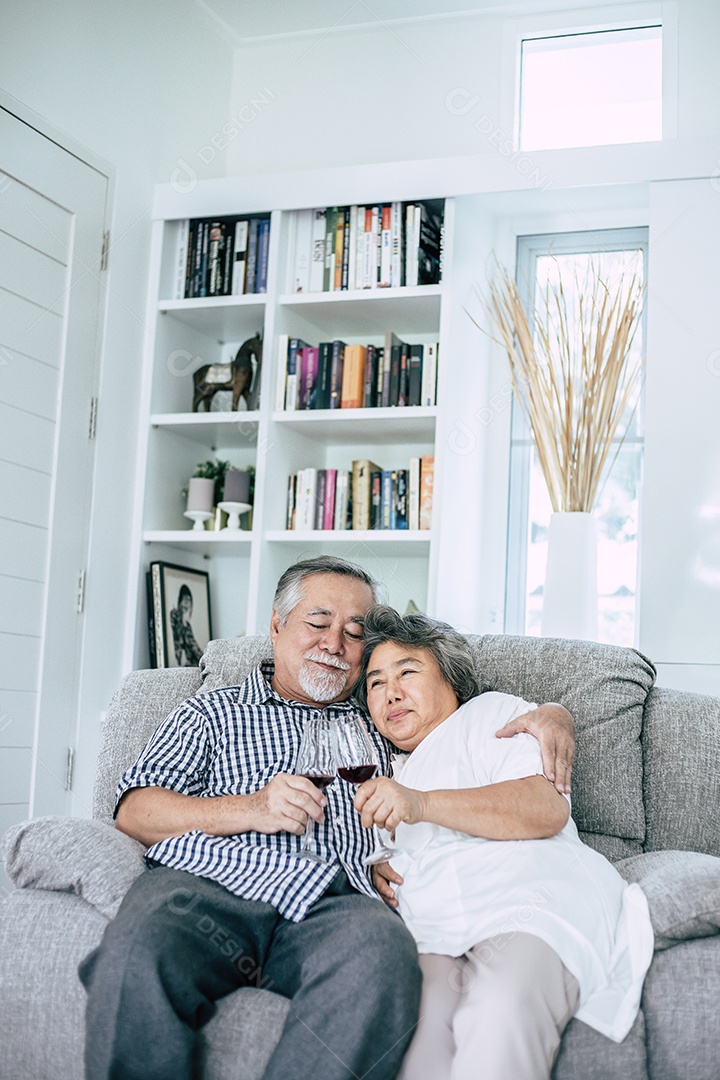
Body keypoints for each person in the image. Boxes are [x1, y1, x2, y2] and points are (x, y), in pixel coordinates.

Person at [79, 556, 575, 1080]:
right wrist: (251, 807)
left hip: (334, 901)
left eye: (353, 633)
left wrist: (556, 714)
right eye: (318, 624)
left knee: (382, 957)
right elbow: (134, 811)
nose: (334, 645)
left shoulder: (379, 717)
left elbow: (453, 717)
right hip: (205, 886)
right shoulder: (211, 712)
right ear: (276, 626)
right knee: (137, 953)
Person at [354, 605, 654, 1080]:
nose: (390, 693)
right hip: (434, 924)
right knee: (415, 1038)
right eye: (374, 683)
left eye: (407, 672)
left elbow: (545, 808)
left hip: (529, 903)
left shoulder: (491, 715)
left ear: (451, 681)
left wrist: (421, 802)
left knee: (499, 1011)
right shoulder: (378, 762)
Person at [170, 583, 203, 666]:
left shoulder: (187, 625)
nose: (187, 603)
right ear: (180, 600)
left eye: (189, 600)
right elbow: (178, 640)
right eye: (185, 599)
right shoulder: (174, 615)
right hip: (183, 661)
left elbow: (193, 645)